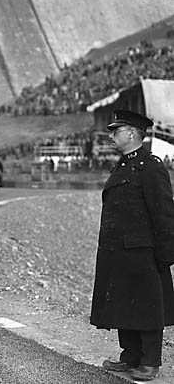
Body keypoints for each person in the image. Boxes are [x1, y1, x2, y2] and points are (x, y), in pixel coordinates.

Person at [91, 110, 174, 382]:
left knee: (148, 308)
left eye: (116, 131)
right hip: (120, 252)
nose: (112, 135)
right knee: (125, 304)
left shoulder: (151, 166)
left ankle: (150, 362)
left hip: (143, 253)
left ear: (131, 133)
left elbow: (164, 214)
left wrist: (164, 257)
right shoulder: (123, 164)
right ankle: (130, 356)